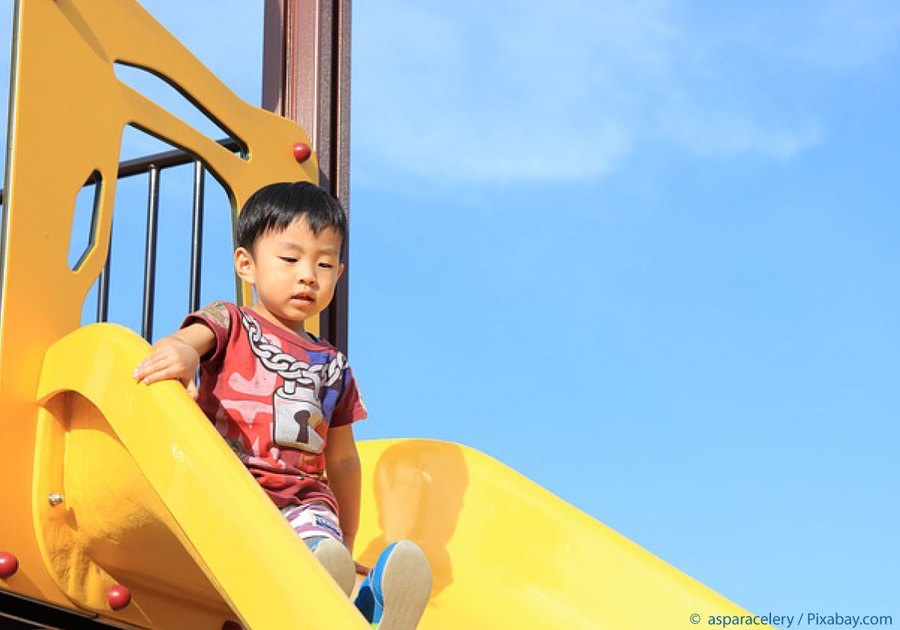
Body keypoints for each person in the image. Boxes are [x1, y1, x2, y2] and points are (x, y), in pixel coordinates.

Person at [132, 181, 431, 629]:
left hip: (303, 500)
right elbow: (188, 341)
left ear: (338, 273)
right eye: (290, 259)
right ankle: (324, 588)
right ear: (246, 265)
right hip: (232, 486)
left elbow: (344, 459)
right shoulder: (230, 322)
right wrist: (184, 351)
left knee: (321, 542)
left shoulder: (333, 366)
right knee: (304, 556)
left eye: (324, 263)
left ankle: (369, 605)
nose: (308, 274)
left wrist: (348, 535)